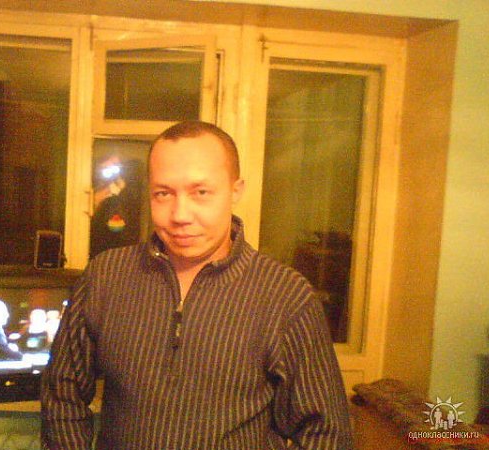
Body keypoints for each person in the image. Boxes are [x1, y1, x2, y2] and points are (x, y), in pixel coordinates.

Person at [41, 121, 353, 449]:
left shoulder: (286, 296)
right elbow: (63, 394)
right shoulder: (105, 277)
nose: (180, 214)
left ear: (235, 191)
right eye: (163, 194)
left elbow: (326, 433)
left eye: (200, 192)